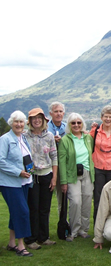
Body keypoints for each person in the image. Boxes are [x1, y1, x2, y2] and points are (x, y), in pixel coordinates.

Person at [0, 111, 33, 257]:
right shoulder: (5, 139)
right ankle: (21, 246)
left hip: (24, 182)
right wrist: (17, 172)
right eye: (16, 122)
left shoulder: (23, 138)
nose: (19, 124)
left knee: (16, 211)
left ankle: (11, 243)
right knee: (22, 212)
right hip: (10, 183)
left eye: (21, 122)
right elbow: (1, 161)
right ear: (11, 123)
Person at [24, 108, 58, 250]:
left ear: (44, 120)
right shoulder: (25, 136)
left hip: (46, 175)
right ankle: (31, 239)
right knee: (33, 208)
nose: (37, 120)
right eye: (34, 118)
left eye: (39, 118)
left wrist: (54, 178)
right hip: (32, 176)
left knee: (45, 208)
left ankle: (44, 237)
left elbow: (54, 157)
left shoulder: (49, 136)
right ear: (30, 121)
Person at [58, 113, 95, 242]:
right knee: (75, 202)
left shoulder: (88, 138)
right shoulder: (65, 140)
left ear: (82, 124)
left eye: (79, 123)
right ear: (69, 124)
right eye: (73, 123)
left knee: (86, 202)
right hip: (72, 175)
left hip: (87, 173)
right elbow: (62, 162)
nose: (76, 125)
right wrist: (63, 181)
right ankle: (73, 231)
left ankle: (84, 230)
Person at [90, 105, 111, 223]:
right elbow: (88, 143)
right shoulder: (95, 130)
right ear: (101, 117)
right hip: (98, 166)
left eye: (110, 117)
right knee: (98, 197)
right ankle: (98, 224)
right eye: (106, 116)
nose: (108, 119)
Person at [47, 101, 66, 214]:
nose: (58, 114)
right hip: (48, 164)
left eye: (60, 111)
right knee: (46, 197)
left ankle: (63, 224)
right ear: (51, 113)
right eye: (56, 111)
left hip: (62, 164)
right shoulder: (46, 128)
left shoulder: (67, 127)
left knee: (62, 195)